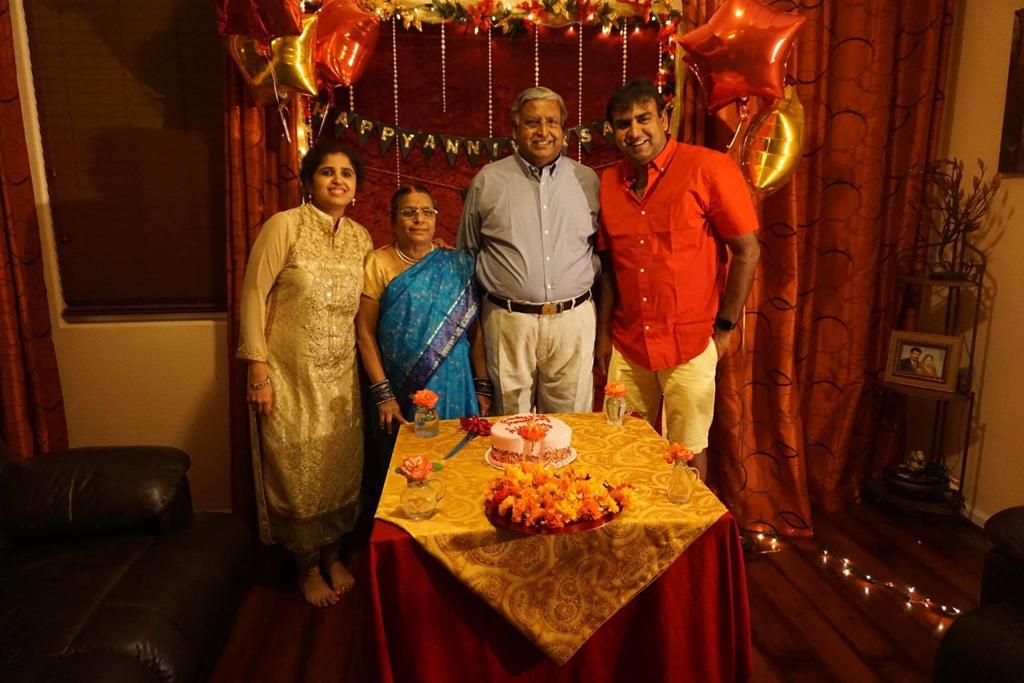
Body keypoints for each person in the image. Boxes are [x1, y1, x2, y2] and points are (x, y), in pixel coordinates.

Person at [595, 79, 761, 478]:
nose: (634, 131)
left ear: (664, 119)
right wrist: (603, 333)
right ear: (613, 131)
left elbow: (747, 251)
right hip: (629, 343)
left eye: (644, 119)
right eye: (623, 124)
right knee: (621, 446)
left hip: (690, 341)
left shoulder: (707, 168)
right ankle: (631, 519)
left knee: (687, 451)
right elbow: (611, 267)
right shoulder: (608, 183)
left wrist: (724, 330)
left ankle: (686, 519)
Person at [237, 140, 372, 607]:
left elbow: (376, 293)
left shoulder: (360, 238)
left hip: (340, 379)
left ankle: (333, 554)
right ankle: (307, 567)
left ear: (356, 188)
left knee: (338, 471)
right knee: (297, 475)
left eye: (346, 174)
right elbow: (253, 294)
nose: (338, 180)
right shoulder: (285, 226)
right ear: (309, 181)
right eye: (327, 172)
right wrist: (258, 369)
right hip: (288, 376)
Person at [457, 86, 600, 415]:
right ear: (515, 129)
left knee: (570, 426)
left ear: (563, 130)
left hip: (573, 321)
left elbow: (600, 250)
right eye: (532, 122)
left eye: (552, 122)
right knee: (510, 425)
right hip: (508, 322)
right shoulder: (488, 181)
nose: (543, 131)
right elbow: (467, 252)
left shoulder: (588, 181)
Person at [356, 185, 492, 432]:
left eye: (427, 212)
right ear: (393, 221)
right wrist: (383, 394)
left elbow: (474, 332)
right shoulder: (377, 263)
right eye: (409, 212)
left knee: (456, 449)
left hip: (456, 381)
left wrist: (482, 384)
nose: (419, 219)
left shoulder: (457, 263)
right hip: (402, 385)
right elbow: (364, 332)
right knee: (414, 450)